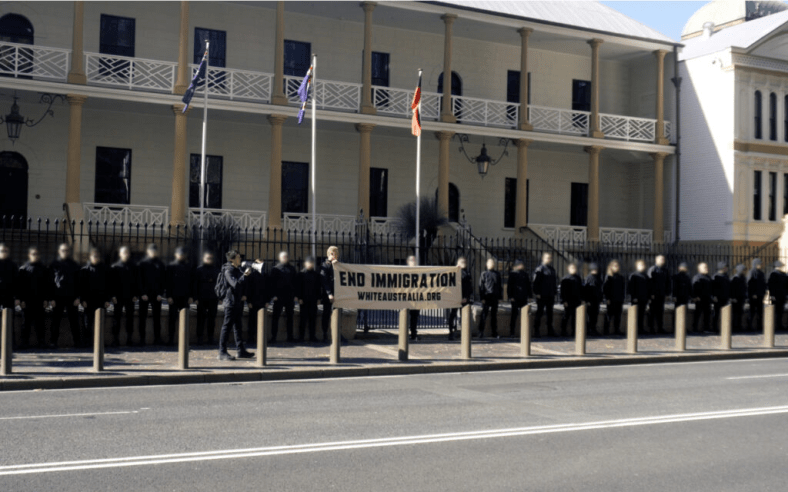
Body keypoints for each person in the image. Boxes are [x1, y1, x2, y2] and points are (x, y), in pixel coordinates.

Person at [218, 249, 254, 360]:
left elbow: (242, 285)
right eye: (238, 257)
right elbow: (235, 284)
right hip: (230, 302)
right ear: (232, 259)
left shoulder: (237, 269)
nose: (240, 259)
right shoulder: (228, 270)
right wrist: (245, 276)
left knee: (238, 327)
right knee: (227, 327)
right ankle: (222, 352)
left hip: (237, 301)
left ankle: (240, 350)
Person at [49, 243, 81, 348]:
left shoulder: (74, 264)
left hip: (71, 297)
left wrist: (78, 297)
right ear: (59, 251)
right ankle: (53, 342)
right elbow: (49, 282)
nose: (65, 252)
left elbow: (79, 282)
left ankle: (77, 341)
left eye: (67, 250)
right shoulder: (54, 264)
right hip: (57, 296)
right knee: (55, 321)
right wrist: (51, 298)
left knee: (74, 320)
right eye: (63, 250)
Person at [18, 246, 49, 349]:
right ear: (29, 255)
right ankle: (24, 343)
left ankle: (41, 342)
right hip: (27, 300)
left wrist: (45, 299)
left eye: (37, 254)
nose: (35, 256)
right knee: (25, 323)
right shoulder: (23, 269)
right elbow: (20, 286)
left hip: (39, 300)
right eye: (33, 254)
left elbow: (46, 285)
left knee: (40, 323)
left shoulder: (43, 268)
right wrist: (21, 300)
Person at [78, 249, 110, 347]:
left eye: (97, 256)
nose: (96, 258)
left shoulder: (104, 269)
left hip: (101, 300)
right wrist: (82, 300)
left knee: (100, 323)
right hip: (88, 301)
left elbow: (109, 285)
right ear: (90, 257)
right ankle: (87, 342)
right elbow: (81, 286)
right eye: (94, 256)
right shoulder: (85, 270)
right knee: (87, 323)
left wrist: (107, 299)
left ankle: (99, 343)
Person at [137, 244, 166, 345]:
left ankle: (157, 338)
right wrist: (142, 293)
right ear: (148, 252)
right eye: (151, 251)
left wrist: (160, 294)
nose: (153, 253)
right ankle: (142, 339)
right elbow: (139, 280)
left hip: (156, 294)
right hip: (145, 294)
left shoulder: (160, 264)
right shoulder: (142, 263)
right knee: (142, 317)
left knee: (157, 318)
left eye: (155, 251)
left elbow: (163, 280)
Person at [110, 246, 138, 347]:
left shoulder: (133, 266)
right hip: (118, 297)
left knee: (129, 318)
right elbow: (111, 283)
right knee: (116, 318)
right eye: (124, 252)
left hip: (130, 296)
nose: (126, 254)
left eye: (127, 252)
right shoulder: (115, 267)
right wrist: (112, 295)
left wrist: (136, 295)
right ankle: (115, 339)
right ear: (120, 254)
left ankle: (129, 339)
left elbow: (136, 281)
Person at [165, 246, 193, 346]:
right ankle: (171, 339)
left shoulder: (188, 266)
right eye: (179, 254)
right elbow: (168, 282)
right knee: (172, 319)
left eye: (183, 254)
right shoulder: (171, 266)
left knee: (185, 319)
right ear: (175, 255)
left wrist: (191, 296)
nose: (181, 256)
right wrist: (168, 296)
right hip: (173, 296)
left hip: (185, 297)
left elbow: (192, 282)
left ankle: (184, 339)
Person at [192, 251, 221, 345]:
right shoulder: (199, 270)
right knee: (200, 319)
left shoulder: (216, 270)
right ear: (203, 259)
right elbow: (195, 284)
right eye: (207, 258)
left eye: (211, 258)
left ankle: (210, 337)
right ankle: (199, 338)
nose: (209, 260)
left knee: (212, 319)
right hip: (201, 298)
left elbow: (220, 284)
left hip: (213, 298)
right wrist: (195, 297)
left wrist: (220, 297)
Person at [270, 251, 298, 343]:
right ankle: (273, 336)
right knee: (275, 317)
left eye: (286, 257)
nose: (285, 258)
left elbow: (295, 283)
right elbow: (271, 284)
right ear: (280, 258)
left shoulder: (292, 269)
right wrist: (273, 295)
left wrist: (295, 295)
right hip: (278, 297)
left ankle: (290, 336)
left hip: (289, 297)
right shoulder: (275, 269)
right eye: (283, 257)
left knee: (290, 317)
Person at [446, 256, 472, 340]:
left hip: (463, 298)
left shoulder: (467, 274)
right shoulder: (454, 272)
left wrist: (466, 297)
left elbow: (469, 288)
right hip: (456, 297)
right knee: (453, 315)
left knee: (462, 316)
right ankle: (451, 332)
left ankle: (462, 332)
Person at [298, 257, 322, 343]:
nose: (310, 264)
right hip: (304, 300)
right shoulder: (301, 274)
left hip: (313, 300)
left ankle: (312, 336)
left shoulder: (316, 274)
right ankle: (301, 337)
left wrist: (319, 298)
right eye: (308, 263)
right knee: (303, 319)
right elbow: (299, 287)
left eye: (311, 263)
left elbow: (318, 287)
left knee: (313, 319)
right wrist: (299, 298)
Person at [533, 252, 557, 336]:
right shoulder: (540, 269)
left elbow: (554, 282)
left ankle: (550, 330)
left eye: (550, 258)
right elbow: (535, 282)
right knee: (539, 312)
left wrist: (554, 292)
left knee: (550, 313)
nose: (549, 259)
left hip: (550, 295)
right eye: (547, 258)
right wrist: (537, 293)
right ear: (543, 258)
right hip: (542, 294)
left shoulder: (552, 269)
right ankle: (536, 330)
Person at [245, 259, 268, 346]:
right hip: (253, 301)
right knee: (252, 321)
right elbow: (248, 289)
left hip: (262, 301)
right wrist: (249, 301)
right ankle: (251, 337)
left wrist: (267, 301)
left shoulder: (265, 275)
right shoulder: (252, 276)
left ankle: (260, 338)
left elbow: (268, 289)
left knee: (261, 321)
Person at [478, 258, 503, 338]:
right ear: (487, 265)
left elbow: (500, 286)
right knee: (484, 315)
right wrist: (482, 298)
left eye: (492, 263)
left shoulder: (497, 274)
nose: (491, 264)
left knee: (494, 316)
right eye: (490, 263)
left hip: (495, 297)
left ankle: (494, 332)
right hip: (486, 296)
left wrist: (500, 297)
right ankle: (480, 332)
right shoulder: (484, 274)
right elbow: (481, 286)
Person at [507, 259, 531, 338]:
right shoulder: (512, 274)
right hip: (515, 297)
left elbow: (528, 285)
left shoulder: (525, 274)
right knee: (514, 315)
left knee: (524, 315)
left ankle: (524, 331)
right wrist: (510, 296)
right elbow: (509, 286)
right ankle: (512, 332)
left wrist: (530, 296)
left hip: (523, 297)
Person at [647, 255, 671, 334]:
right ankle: (651, 328)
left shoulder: (665, 270)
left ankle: (660, 328)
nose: (662, 260)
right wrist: (651, 293)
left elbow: (668, 282)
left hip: (662, 294)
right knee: (652, 311)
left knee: (660, 312)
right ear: (656, 260)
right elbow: (650, 282)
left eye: (663, 259)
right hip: (654, 294)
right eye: (661, 259)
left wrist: (667, 293)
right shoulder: (652, 269)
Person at [320, 246, 339, 343]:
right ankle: (325, 334)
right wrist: (329, 294)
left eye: (336, 253)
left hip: (338, 294)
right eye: (332, 253)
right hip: (328, 295)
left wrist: (336, 266)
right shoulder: (325, 265)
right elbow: (324, 281)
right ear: (329, 254)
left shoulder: (339, 264)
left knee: (338, 314)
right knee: (326, 314)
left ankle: (337, 333)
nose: (334, 255)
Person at [603, 260, 625, 336]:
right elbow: (605, 289)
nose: (617, 267)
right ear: (611, 267)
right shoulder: (608, 277)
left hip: (619, 299)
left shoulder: (621, 277)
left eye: (617, 266)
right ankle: (606, 330)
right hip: (611, 299)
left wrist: (622, 298)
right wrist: (607, 298)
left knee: (618, 316)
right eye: (615, 266)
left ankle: (617, 329)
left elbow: (622, 288)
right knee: (609, 315)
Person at [559, 263, 583, 337]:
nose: (574, 269)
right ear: (568, 269)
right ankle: (563, 331)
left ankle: (574, 331)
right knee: (566, 316)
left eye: (575, 268)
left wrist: (581, 299)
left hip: (577, 300)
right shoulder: (566, 278)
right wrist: (564, 301)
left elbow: (581, 289)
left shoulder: (578, 278)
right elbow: (562, 291)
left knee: (575, 317)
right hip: (568, 301)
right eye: (572, 268)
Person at [628, 259, 650, 335]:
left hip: (643, 298)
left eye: (643, 265)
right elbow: (631, 287)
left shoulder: (646, 276)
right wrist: (634, 297)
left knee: (641, 315)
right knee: (635, 314)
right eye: (640, 265)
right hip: (636, 299)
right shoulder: (634, 275)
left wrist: (648, 297)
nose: (642, 266)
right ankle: (633, 329)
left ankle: (640, 329)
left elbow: (648, 287)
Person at [692, 262, 713, 333]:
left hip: (707, 299)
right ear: (699, 269)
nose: (707, 269)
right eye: (705, 267)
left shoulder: (708, 277)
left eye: (707, 267)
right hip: (700, 299)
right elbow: (694, 287)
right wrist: (695, 297)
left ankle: (706, 328)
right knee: (697, 314)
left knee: (707, 314)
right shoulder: (697, 277)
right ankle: (694, 328)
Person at [583, 263, 603, 336]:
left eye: (596, 269)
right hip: (590, 300)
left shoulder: (598, 278)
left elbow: (600, 290)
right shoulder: (589, 278)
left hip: (596, 300)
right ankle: (589, 330)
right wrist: (587, 300)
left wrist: (601, 299)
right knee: (590, 316)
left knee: (595, 316)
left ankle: (593, 329)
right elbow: (586, 290)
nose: (595, 271)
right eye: (594, 269)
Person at [747, 258, 767, 332]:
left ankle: (759, 326)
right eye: (759, 264)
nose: (761, 265)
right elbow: (750, 284)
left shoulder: (761, 273)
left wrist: (764, 292)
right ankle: (750, 326)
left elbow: (763, 283)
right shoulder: (752, 272)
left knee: (760, 311)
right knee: (752, 311)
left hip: (760, 295)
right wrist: (753, 293)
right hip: (754, 296)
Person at [0, 243, 19, 320]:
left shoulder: (13, 265)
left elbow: (17, 281)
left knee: (8, 320)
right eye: (2, 251)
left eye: (5, 251)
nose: (4, 253)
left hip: (8, 296)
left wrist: (17, 297)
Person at [712, 262, 731, 333]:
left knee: (725, 314)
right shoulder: (716, 276)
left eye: (726, 267)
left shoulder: (726, 276)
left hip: (725, 297)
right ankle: (715, 328)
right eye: (725, 267)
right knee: (716, 313)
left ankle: (724, 328)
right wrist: (714, 296)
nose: (726, 268)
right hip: (718, 298)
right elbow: (713, 288)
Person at [768, 261, 786, 332]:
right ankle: (774, 325)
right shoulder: (773, 274)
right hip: (775, 296)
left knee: (780, 311)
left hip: (782, 295)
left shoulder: (784, 274)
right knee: (775, 311)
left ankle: (779, 324)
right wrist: (772, 295)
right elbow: (771, 286)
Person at [406, 255, 421, 341]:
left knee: (414, 316)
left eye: (414, 260)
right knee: (405, 315)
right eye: (412, 260)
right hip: (406, 298)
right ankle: (405, 333)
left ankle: (413, 333)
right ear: (408, 262)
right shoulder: (404, 272)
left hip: (416, 298)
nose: (414, 262)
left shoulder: (419, 271)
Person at [730, 264, 747, 332]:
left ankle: (739, 326)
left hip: (741, 298)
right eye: (743, 270)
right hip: (735, 299)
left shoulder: (743, 278)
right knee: (735, 314)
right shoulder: (734, 278)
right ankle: (734, 327)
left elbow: (745, 288)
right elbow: (731, 289)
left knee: (740, 313)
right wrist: (732, 297)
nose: (744, 272)